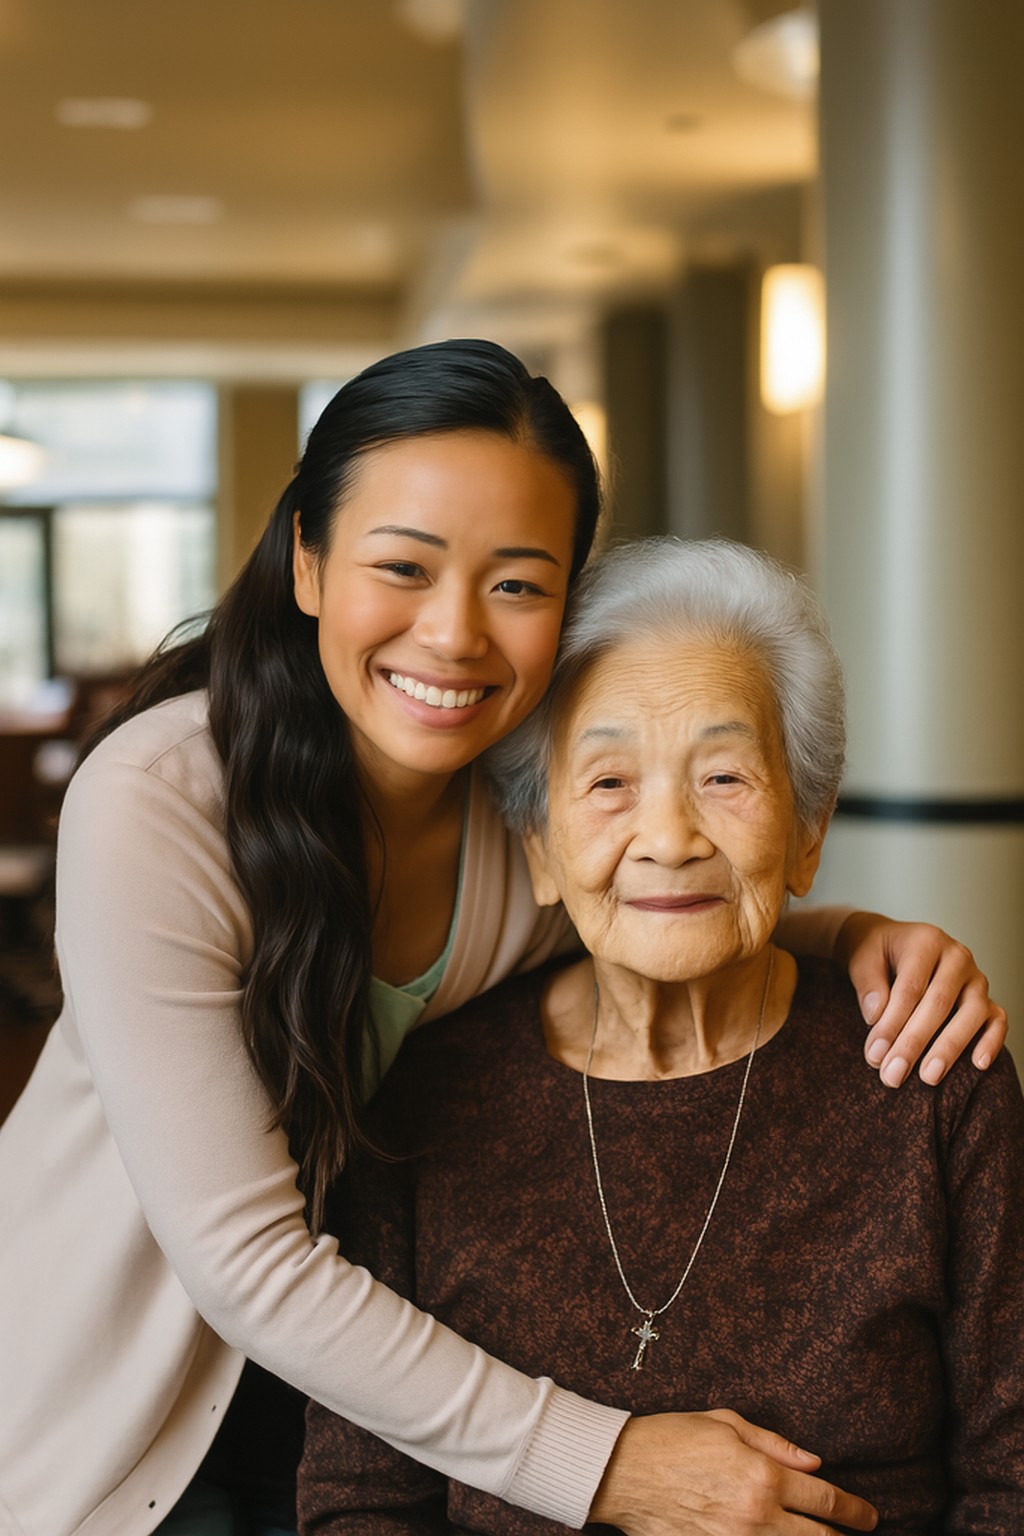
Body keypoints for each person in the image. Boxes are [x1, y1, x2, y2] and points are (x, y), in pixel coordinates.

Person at [0, 343, 1006, 1536]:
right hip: (129, 1391)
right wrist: (610, 1467)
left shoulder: (511, 802)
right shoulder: (164, 798)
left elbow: (657, 886)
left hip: (378, 1376)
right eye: (403, 567)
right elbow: (248, 1265)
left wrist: (856, 937)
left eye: (518, 584)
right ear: (308, 562)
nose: (455, 634)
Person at [299, 536, 1024, 1536]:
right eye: (607, 783)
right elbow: (359, 1503)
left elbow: (1011, 1478)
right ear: (538, 848)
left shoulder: (929, 1075)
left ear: (808, 831)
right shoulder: (427, 1097)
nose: (672, 836)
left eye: (724, 777)